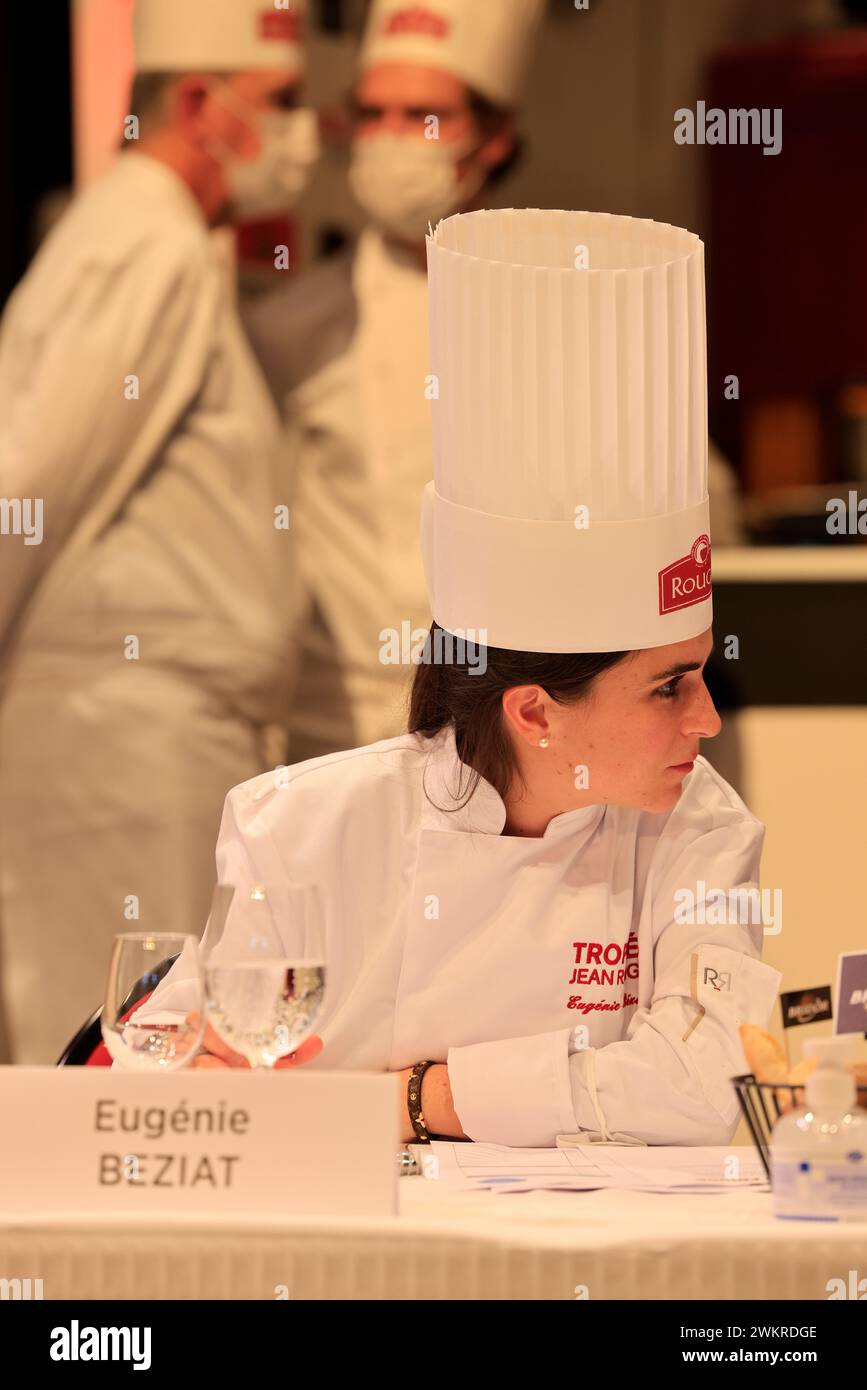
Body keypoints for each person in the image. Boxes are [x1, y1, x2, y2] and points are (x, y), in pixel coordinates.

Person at [139, 208, 782, 1149]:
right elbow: (211, 1077)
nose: (708, 720)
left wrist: (411, 1101)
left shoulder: (702, 830)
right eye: (668, 685)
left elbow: (709, 1079)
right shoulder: (299, 828)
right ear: (534, 712)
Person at [0, 0, 317, 1064]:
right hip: (115, 733)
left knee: (159, 1074)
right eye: (279, 103)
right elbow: (25, 480)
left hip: (149, 731)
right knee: (116, 1077)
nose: (300, 131)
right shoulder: (145, 241)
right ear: (197, 103)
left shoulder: (159, 240)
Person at [242, 0, 545, 763]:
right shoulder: (289, 328)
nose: (388, 140)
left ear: (495, 135)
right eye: (372, 114)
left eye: (422, 116)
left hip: (510, 733)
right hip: (332, 735)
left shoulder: (553, 310)